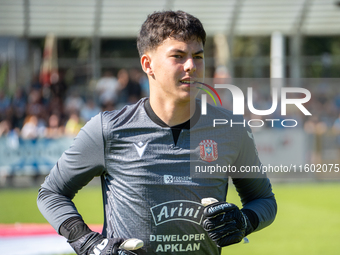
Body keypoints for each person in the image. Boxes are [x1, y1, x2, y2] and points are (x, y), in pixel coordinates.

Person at [37, 10, 277, 255]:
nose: (191, 66)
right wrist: (87, 242)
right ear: (147, 64)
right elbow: (51, 193)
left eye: (198, 56)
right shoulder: (108, 129)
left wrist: (244, 222)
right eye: (178, 56)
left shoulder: (231, 130)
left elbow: (265, 201)